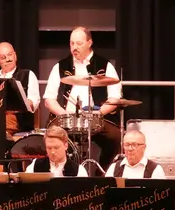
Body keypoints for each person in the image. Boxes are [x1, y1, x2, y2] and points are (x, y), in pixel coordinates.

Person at [43, 27, 122, 171]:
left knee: (115, 137)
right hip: (65, 118)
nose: (74, 47)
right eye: (72, 43)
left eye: (79, 43)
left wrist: (99, 113)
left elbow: (115, 98)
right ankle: (63, 171)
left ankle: (103, 174)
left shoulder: (105, 66)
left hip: (97, 118)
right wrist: (63, 114)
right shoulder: (60, 67)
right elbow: (49, 99)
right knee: (52, 136)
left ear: (89, 43)